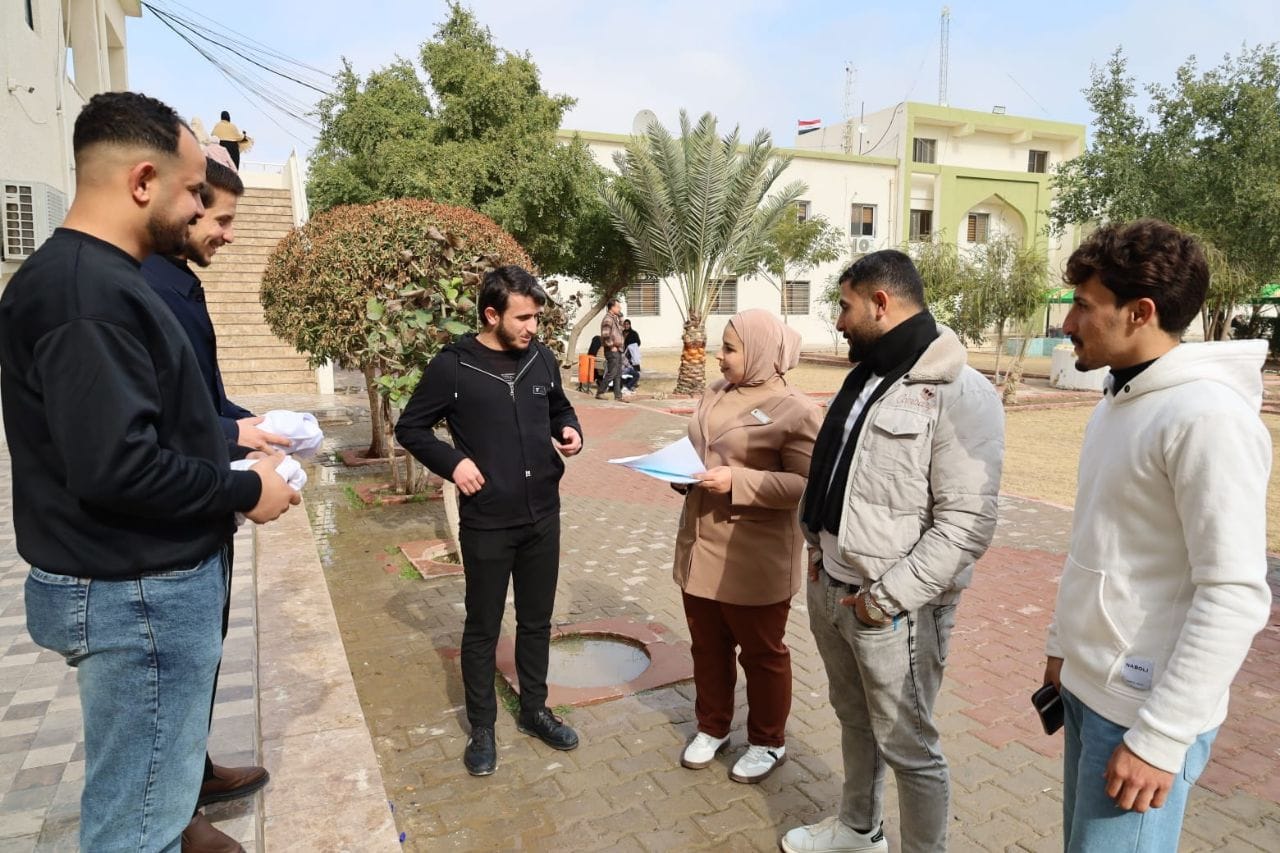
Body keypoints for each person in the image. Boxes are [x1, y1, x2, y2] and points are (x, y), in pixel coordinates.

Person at [0, 91, 298, 853]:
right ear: (142, 181)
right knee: (136, 831)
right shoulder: (86, 293)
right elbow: (118, 468)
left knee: (149, 806)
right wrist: (246, 489)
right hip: (135, 592)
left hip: (137, 583)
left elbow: (147, 427)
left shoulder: (104, 279)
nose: (201, 208)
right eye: (194, 190)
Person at [1042, 220, 1272, 852]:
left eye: (1083, 306)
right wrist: (1063, 644)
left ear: (1140, 312)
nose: (1068, 324)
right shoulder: (1118, 399)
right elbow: (1097, 538)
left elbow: (1233, 593)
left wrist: (1161, 738)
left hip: (1141, 715)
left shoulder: (1208, 418)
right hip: (1089, 690)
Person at [781, 250, 1004, 853]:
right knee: (854, 720)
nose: (838, 321)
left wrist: (884, 601)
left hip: (892, 610)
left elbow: (966, 525)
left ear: (881, 303)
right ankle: (859, 829)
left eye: (845, 306)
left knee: (910, 747)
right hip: (832, 587)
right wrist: (817, 551)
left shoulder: (959, 392)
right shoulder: (866, 377)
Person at [141, 150, 286, 851]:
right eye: (218, 218)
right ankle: (176, 814)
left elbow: (202, 396)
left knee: (200, 662)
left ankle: (191, 777)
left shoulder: (178, 283)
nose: (225, 233)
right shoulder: (141, 287)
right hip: (163, 532)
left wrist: (249, 423)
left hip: (200, 513)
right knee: (167, 684)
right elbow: (161, 424)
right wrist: (237, 442)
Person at [396, 266, 585, 777]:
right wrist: (454, 463)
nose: (532, 327)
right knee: (482, 627)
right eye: (522, 318)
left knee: (536, 621)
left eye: (536, 317)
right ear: (491, 315)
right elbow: (411, 428)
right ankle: (482, 727)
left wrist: (569, 430)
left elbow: (560, 408)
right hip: (487, 522)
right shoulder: (453, 367)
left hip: (542, 515)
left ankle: (535, 710)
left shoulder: (541, 359)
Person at [672, 309, 822, 783]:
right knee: (707, 646)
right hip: (700, 544)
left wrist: (737, 480)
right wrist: (680, 472)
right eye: (722, 346)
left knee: (761, 654)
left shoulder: (796, 409)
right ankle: (712, 727)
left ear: (759, 351)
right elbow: (702, 449)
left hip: (753, 554)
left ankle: (768, 741)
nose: (719, 356)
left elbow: (806, 485)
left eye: (730, 349)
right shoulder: (717, 391)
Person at [596, 298, 626, 401]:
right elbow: (605, 334)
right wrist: (611, 346)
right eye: (618, 306)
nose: (620, 308)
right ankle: (600, 392)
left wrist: (621, 317)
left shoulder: (614, 319)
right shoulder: (608, 319)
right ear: (612, 307)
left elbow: (622, 329)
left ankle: (618, 396)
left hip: (618, 350)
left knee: (617, 374)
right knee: (612, 373)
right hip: (612, 350)